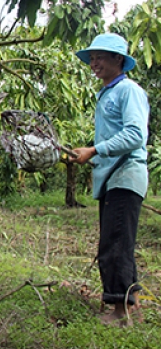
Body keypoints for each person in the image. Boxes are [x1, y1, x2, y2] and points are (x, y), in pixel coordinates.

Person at [70, 33, 149, 326]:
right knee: (119, 242)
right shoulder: (107, 92)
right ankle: (133, 308)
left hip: (125, 176)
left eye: (100, 57)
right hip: (112, 177)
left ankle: (120, 313)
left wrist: (94, 149)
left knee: (114, 246)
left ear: (119, 60)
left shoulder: (129, 91)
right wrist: (89, 151)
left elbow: (135, 135)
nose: (94, 63)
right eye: (92, 58)